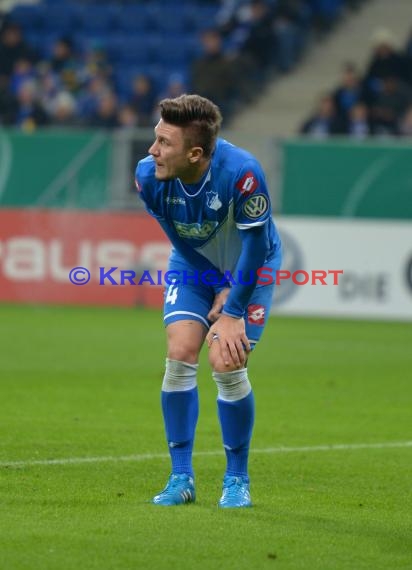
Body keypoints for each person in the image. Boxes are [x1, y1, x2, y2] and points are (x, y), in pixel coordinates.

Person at [134, 94, 282, 508]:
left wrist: (233, 305)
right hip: (195, 261)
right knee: (180, 350)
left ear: (196, 153)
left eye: (164, 143)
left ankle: (237, 480)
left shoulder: (243, 174)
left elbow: (256, 248)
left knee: (225, 360)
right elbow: (177, 234)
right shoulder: (149, 176)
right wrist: (214, 279)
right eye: (155, 138)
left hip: (252, 265)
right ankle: (181, 477)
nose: (152, 150)